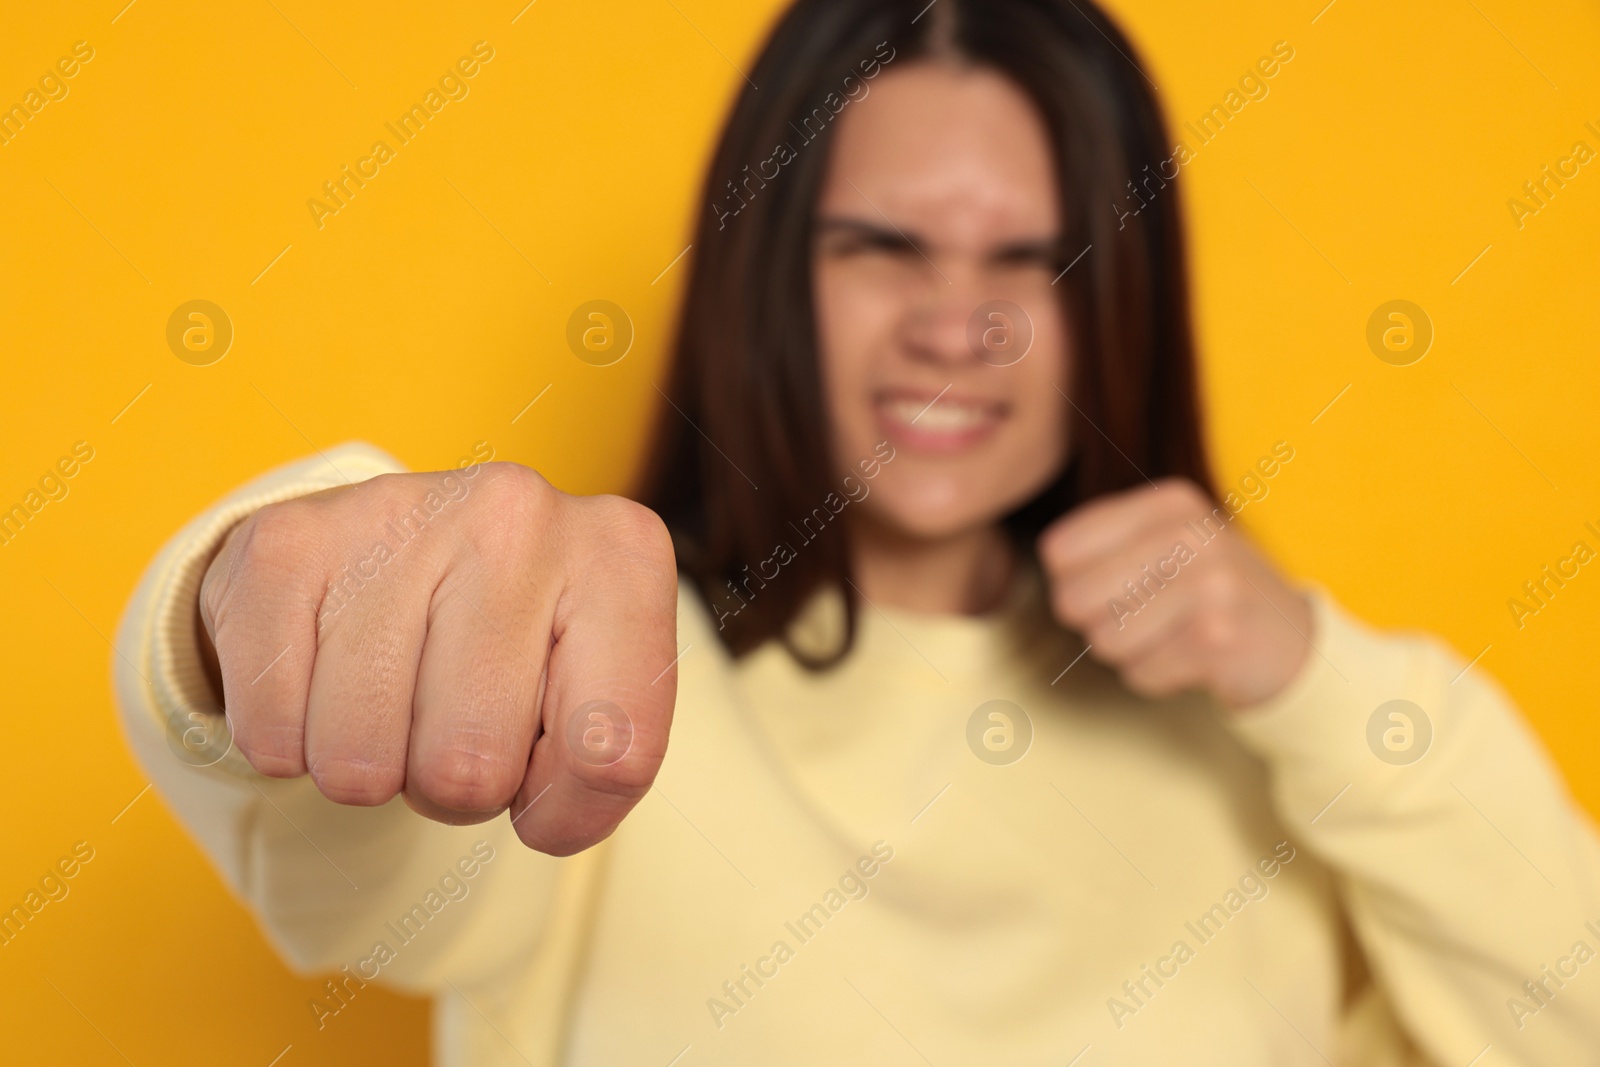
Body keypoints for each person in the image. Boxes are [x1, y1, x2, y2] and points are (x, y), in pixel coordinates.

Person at [114, 0, 1600, 1063]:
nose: (960, 326)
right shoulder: (597, 682)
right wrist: (233, 611)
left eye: (1038, 261)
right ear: (770, 276)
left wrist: (1319, 676)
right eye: (881, 249)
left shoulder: (1280, 737)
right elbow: (344, 873)